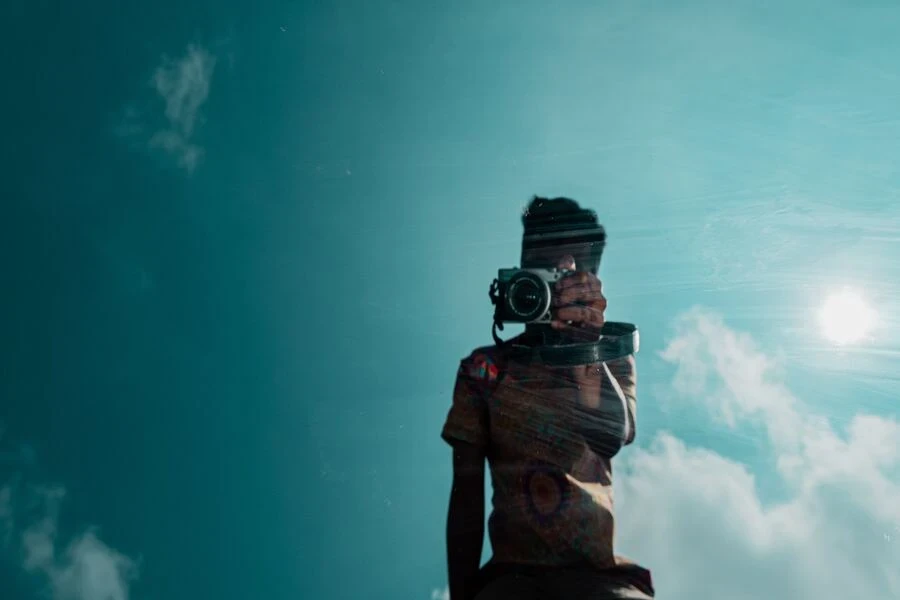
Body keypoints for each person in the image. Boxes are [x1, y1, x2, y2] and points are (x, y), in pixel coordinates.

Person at [441, 197, 654, 600]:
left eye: (569, 275)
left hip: (601, 579)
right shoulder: (483, 369)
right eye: (545, 270)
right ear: (521, 271)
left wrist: (585, 348)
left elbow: (610, 436)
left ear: (592, 282)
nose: (555, 287)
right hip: (512, 582)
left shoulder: (610, 354)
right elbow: (465, 498)